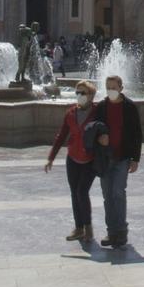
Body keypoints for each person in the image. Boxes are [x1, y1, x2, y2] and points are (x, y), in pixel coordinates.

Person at [87, 74, 143, 251]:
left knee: (118, 192)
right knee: (107, 195)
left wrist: (135, 159)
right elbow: (93, 129)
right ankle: (111, 232)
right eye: (108, 87)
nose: (110, 90)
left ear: (121, 88)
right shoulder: (101, 107)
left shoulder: (130, 107)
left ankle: (121, 231)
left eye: (113, 87)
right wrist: (99, 138)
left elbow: (137, 134)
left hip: (123, 157)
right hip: (105, 158)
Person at [45, 81, 100, 246]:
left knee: (82, 192)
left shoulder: (98, 112)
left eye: (83, 93)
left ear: (91, 95)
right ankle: (79, 228)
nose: (79, 96)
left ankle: (88, 227)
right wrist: (51, 157)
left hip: (90, 159)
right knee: (74, 193)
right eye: (78, 92)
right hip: (73, 159)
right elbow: (61, 136)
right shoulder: (70, 113)